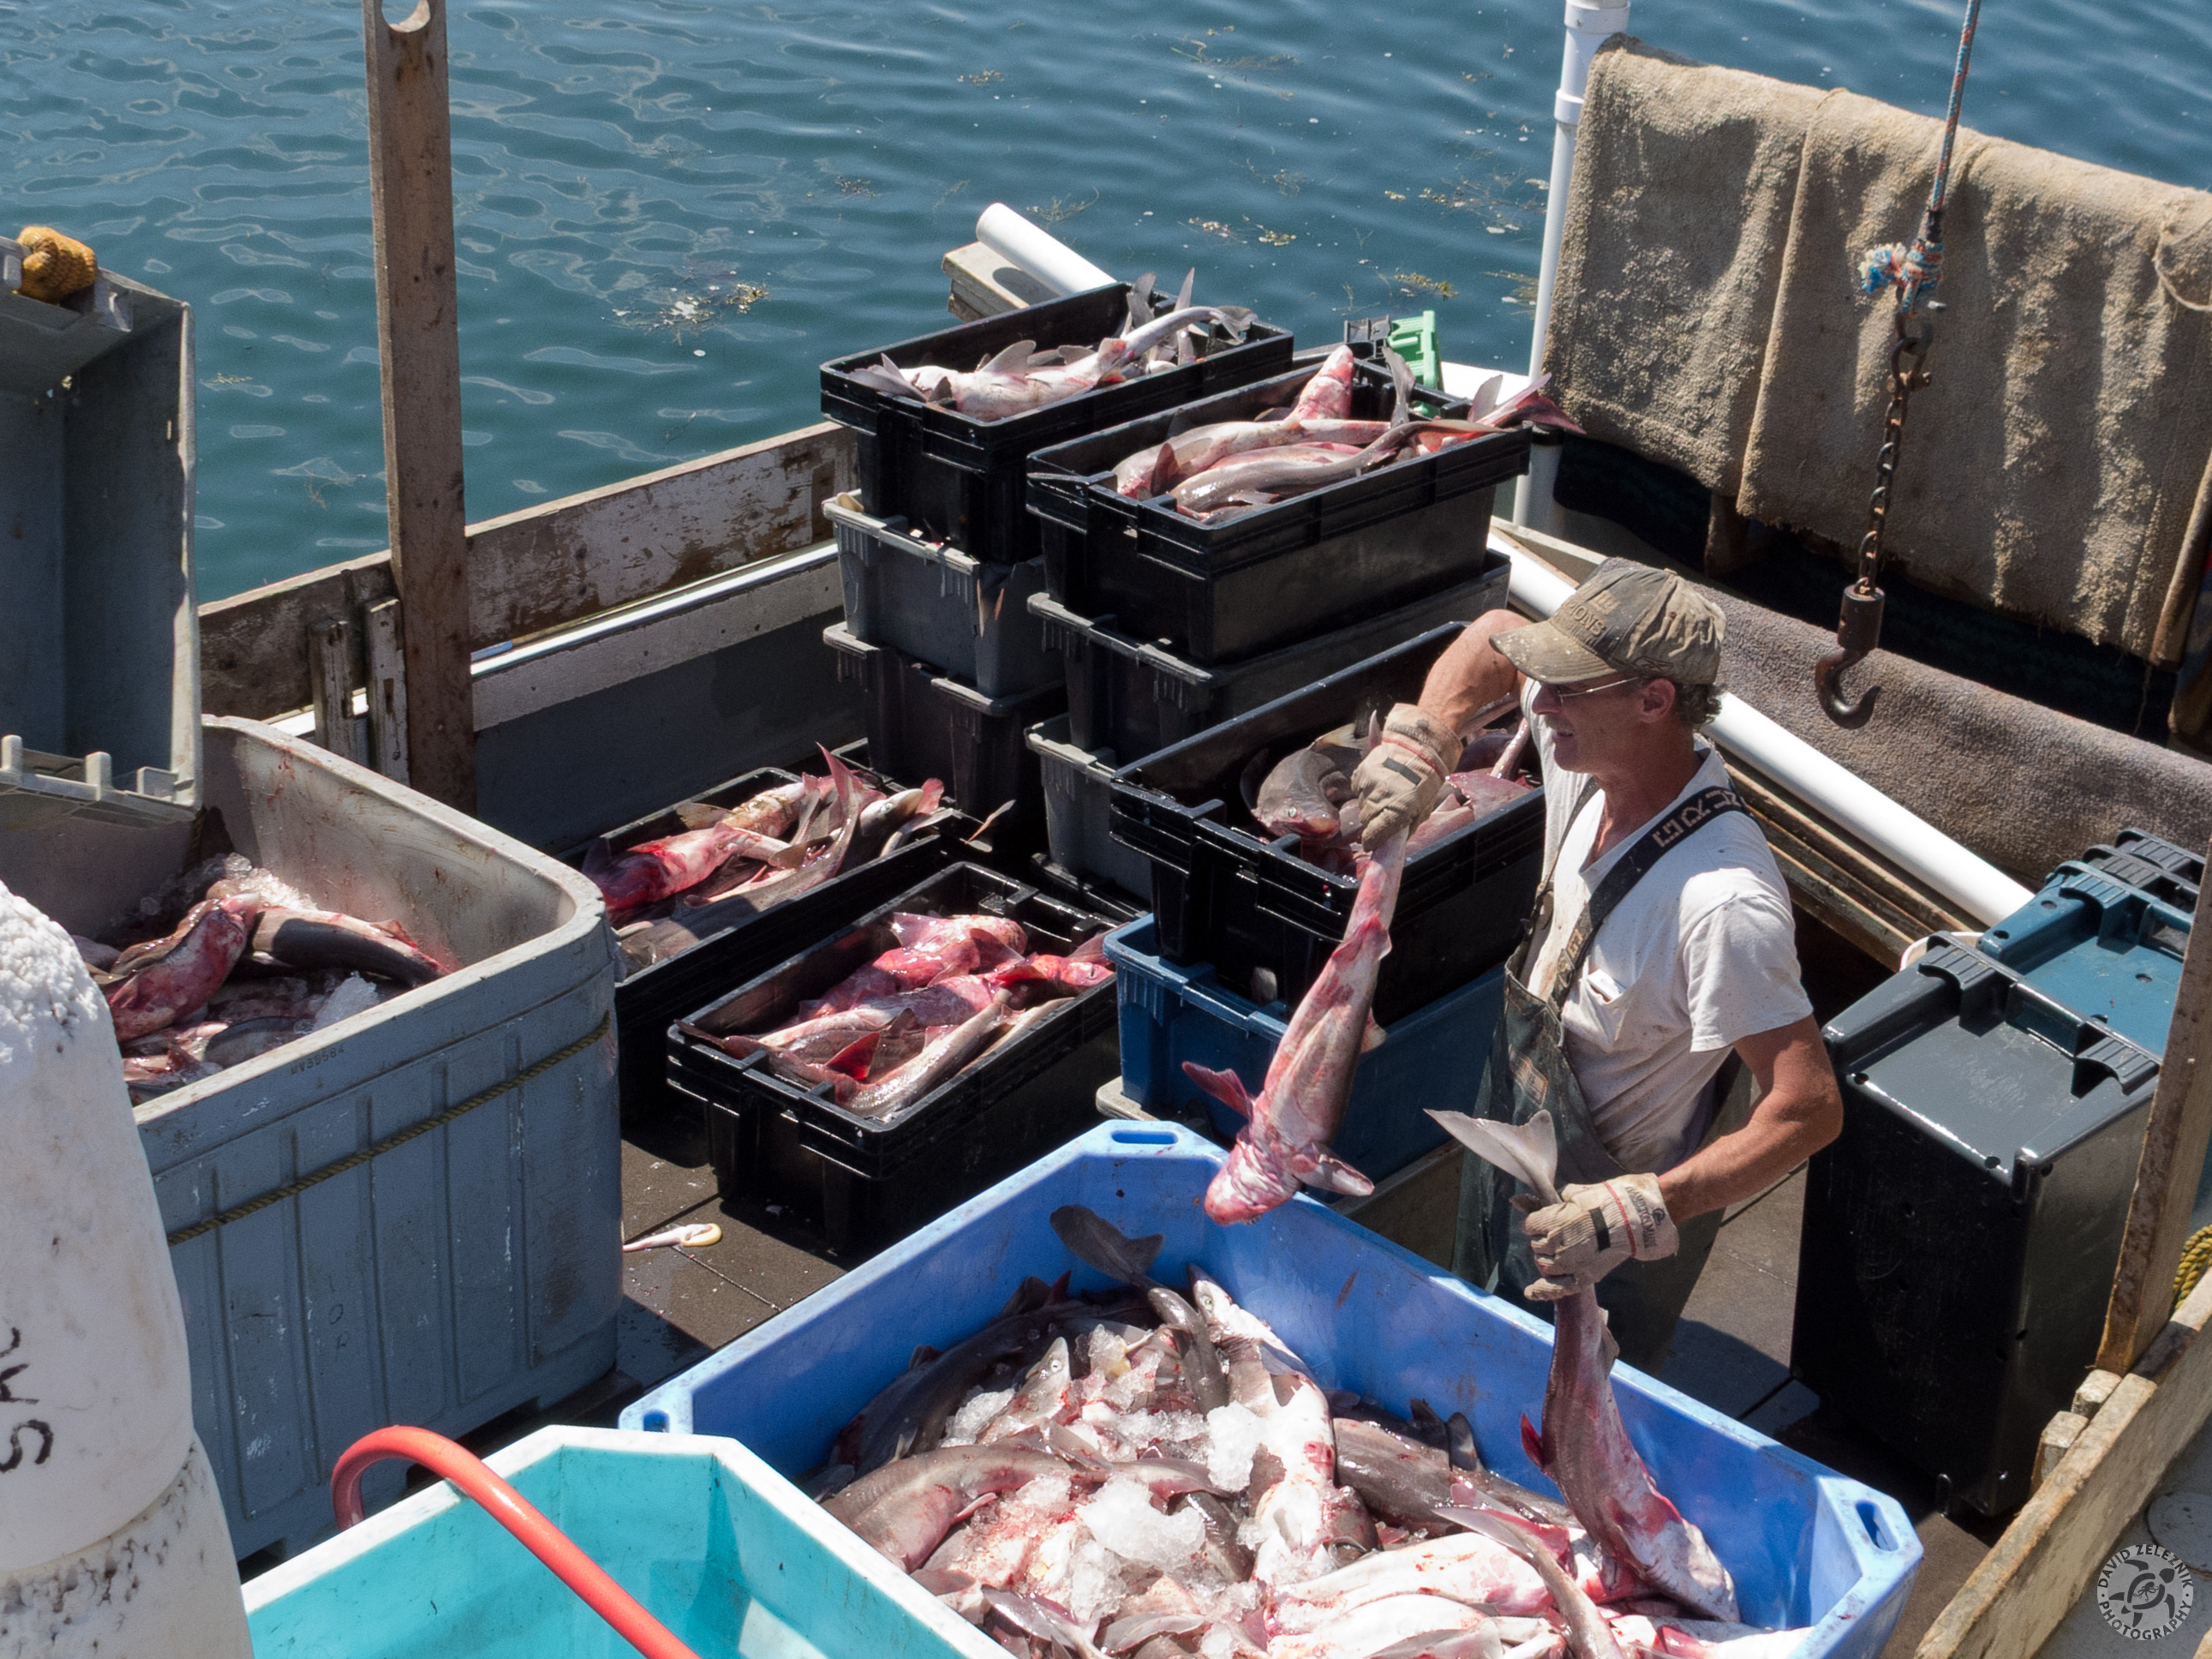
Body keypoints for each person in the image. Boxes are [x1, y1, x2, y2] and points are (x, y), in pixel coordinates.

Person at [1346, 559, 1843, 1371]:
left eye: (1569, 687)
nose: (1539, 706)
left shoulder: (1723, 903)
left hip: (1608, 1235)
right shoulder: (1596, 757)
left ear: (1654, 700)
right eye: (1548, 683)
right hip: (1512, 1153)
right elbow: (1496, 641)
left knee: (1570, 1432)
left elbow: (1808, 1108)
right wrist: (1426, 735)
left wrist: (1646, 1206)